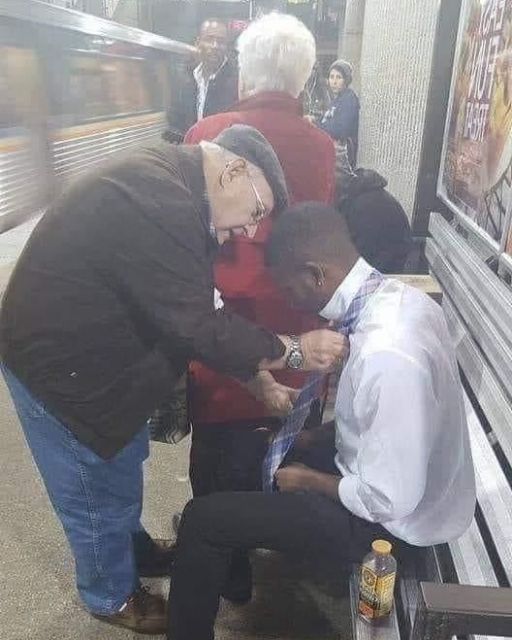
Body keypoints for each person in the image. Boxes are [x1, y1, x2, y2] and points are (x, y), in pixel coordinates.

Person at [0, 127, 346, 635]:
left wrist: (259, 382)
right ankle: (109, 595)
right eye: (255, 213)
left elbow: (200, 308)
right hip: (60, 370)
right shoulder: (158, 200)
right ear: (233, 171)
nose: (250, 232)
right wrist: (292, 349)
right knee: (92, 485)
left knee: (123, 460)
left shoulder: (178, 191)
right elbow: (197, 325)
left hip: (103, 360)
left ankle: (131, 546)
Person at [167, 203, 476, 640]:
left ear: (315, 275)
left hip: (391, 528)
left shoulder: (386, 357)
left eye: (287, 288)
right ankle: (228, 572)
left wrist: (309, 480)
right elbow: (376, 421)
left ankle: (202, 584)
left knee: (201, 519)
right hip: (385, 475)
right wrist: (312, 436)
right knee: (242, 449)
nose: (287, 301)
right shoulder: (396, 299)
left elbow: (388, 499)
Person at [183, 12, 336, 600]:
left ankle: (229, 567)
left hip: (225, 328)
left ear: (245, 72)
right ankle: (276, 544)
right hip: (298, 335)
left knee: (218, 451)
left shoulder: (207, 130)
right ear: (302, 79)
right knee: (281, 442)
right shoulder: (321, 145)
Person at [165, 19, 239, 141]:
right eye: (209, 39)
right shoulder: (185, 79)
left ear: (227, 46)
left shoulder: (235, 81)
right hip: (189, 154)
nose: (215, 46)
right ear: (198, 42)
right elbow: (175, 122)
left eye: (221, 41)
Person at [339, 175, 413, 273]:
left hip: (384, 263)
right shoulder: (373, 196)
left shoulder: (363, 206)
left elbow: (364, 250)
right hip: (395, 256)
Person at [319, 59, 360, 166]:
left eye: (339, 77)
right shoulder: (335, 100)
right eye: (331, 77)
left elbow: (341, 129)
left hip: (343, 161)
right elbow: (327, 121)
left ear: (346, 80)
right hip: (333, 157)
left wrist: (317, 126)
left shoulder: (349, 99)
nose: (334, 81)